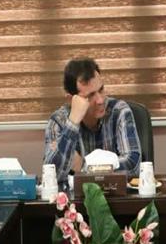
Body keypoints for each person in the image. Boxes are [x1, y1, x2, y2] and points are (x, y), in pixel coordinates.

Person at [43, 57, 141, 185]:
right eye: (90, 95)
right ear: (71, 100)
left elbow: (134, 167)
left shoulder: (119, 111)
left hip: (114, 194)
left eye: (101, 90)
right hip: (74, 197)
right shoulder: (58, 122)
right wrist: (72, 123)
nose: (100, 100)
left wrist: (84, 166)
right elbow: (52, 176)